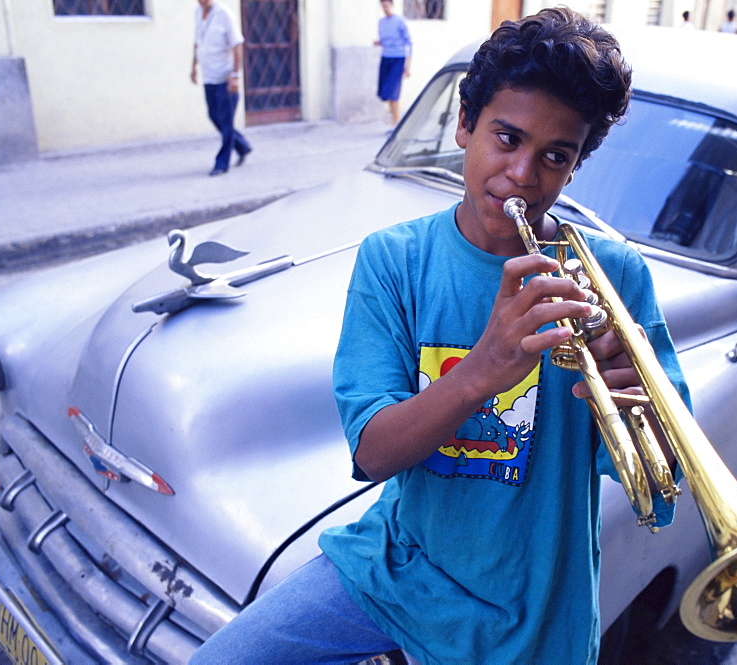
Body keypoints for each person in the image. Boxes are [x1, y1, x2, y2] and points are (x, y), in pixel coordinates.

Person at [190, 7, 689, 665]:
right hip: (394, 569)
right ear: (464, 125)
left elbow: (661, 487)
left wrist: (636, 405)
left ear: (574, 168)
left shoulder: (613, 275)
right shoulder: (394, 260)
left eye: (555, 156)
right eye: (506, 138)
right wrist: (483, 369)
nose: (521, 174)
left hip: (533, 613)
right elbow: (372, 454)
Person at [191, 0, 252, 176]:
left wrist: (235, 76)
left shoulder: (224, 14)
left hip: (225, 78)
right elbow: (197, 42)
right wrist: (193, 67)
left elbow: (237, 45)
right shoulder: (198, 12)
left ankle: (221, 163)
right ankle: (242, 145)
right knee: (214, 116)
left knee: (226, 122)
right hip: (208, 76)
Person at [374, 0, 412, 125]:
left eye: (387, 5)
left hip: (398, 58)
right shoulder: (381, 22)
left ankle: (397, 121)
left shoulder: (400, 21)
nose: (385, 8)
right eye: (383, 5)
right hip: (386, 57)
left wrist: (407, 66)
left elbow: (408, 43)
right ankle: (394, 120)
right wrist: (379, 43)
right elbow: (385, 40)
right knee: (385, 92)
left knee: (393, 91)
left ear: (391, 5)